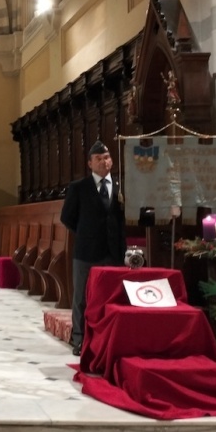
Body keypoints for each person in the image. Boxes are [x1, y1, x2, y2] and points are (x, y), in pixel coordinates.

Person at [60, 140, 126, 356]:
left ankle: (108, 339)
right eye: (98, 158)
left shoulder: (120, 186)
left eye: (106, 157)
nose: (103, 162)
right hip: (87, 251)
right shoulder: (78, 188)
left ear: (112, 161)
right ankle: (79, 339)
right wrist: (86, 231)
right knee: (81, 297)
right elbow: (67, 217)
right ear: (90, 164)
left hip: (114, 250)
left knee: (112, 296)